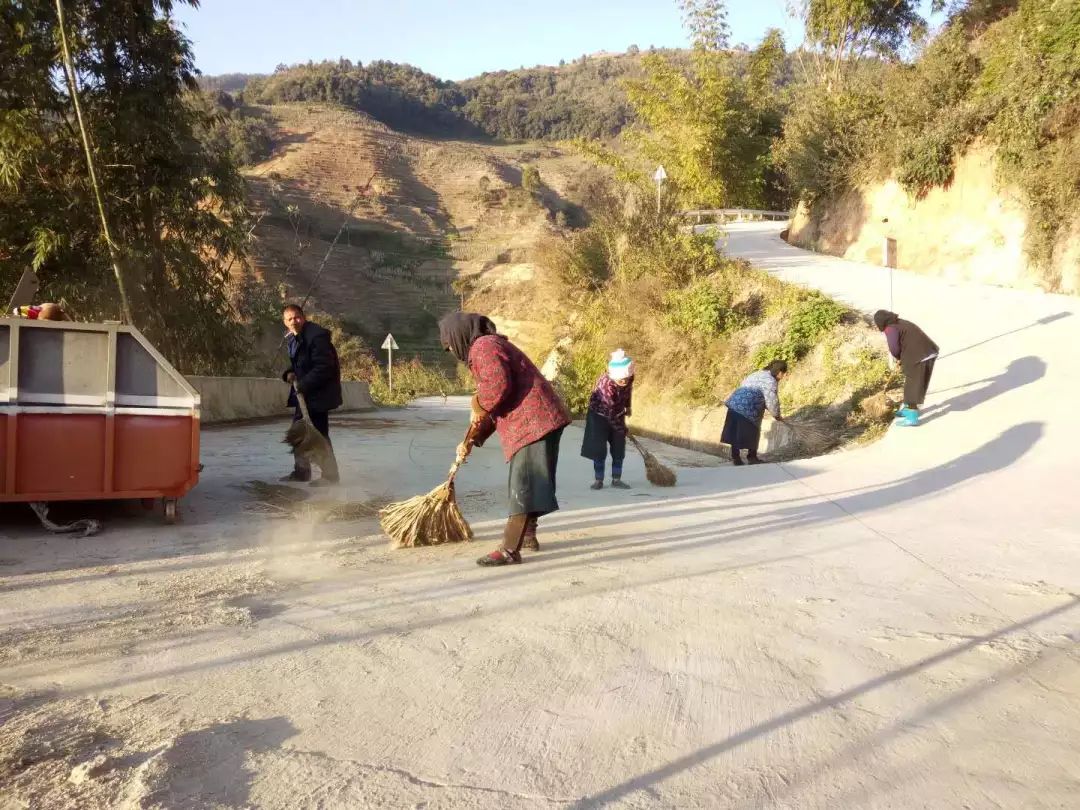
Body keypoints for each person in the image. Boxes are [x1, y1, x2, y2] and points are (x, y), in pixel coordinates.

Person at [440, 313, 571, 567]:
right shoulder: (488, 346)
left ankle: (510, 549)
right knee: (533, 482)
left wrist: (477, 404)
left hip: (534, 422)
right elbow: (496, 401)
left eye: (449, 345)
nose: (451, 351)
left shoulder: (483, 347)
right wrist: (472, 438)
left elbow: (497, 387)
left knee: (523, 484)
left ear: (459, 335)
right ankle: (529, 535)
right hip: (540, 421)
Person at [280, 304, 342, 485]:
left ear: (303, 317)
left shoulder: (316, 336)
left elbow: (324, 367)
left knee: (319, 435)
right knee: (300, 433)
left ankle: (330, 477)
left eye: (297, 317)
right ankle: (302, 472)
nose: (294, 321)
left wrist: (304, 384)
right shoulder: (294, 338)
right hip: (306, 394)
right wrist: (289, 373)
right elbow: (302, 364)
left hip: (319, 394)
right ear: (285, 322)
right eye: (289, 319)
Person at [873, 310, 939, 426]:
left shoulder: (890, 329)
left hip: (920, 355)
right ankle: (908, 409)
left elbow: (894, 348)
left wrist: (898, 356)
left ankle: (912, 417)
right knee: (914, 383)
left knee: (912, 386)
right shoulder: (899, 322)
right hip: (925, 352)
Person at [581, 349, 635, 490]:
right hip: (599, 415)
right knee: (599, 449)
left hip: (616, 413)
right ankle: (599, 480)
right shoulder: (606, 385)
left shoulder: (629, 378)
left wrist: (628, 407)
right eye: (620, 379)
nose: (624, 381)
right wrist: (623, 429)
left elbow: (628, 391)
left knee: (619, 447)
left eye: (626, 378)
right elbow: (610, 412)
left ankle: (616, 479)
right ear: (613, 376)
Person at [722, 360, 787, 465]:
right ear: (779, 372)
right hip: (749, 407)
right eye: (783, 374)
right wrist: (776, 415)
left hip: (734, 404)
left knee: (735, 431)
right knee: (754, 431)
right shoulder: (770, 381)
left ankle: (736, 458)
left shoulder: (756, 374)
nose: (783, 376)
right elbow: (771, 400)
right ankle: (752, 457)